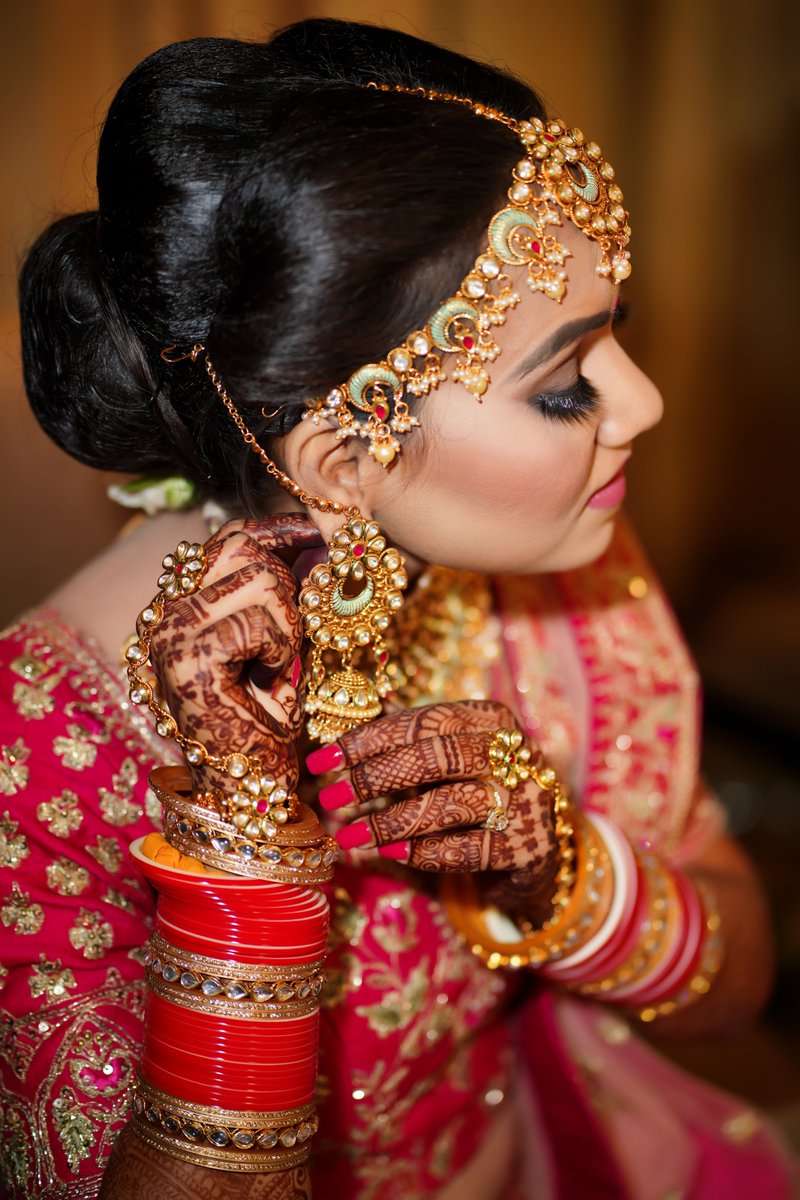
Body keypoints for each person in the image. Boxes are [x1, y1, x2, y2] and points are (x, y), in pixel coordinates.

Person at [1, 17, 794, 1200]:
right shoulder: (43, 736)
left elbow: (740, 973)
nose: (645, 402)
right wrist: (247, 841)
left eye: (612, 333)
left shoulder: (558, 564)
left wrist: (564, 879)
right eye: (565, 383)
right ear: (334, 457)